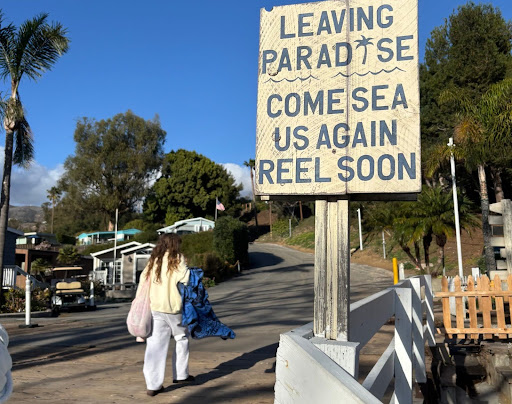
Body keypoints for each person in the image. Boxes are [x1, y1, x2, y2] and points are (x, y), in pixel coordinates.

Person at [139, 233, 195, 397]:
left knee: (155, 345)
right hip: (174, 307)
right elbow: (186, 279)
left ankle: (153, 385)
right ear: (175, 244)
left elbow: (143, 280)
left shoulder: (153, 260)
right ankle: (181, 375)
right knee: (181, 338)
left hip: (155, 307)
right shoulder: (177, 258)